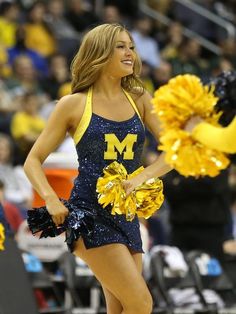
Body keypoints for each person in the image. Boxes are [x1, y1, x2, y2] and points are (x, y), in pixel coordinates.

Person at [24, 23, 171, 314]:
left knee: (120, 308)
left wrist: (142, 177)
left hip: (127, 215)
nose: (130, 53)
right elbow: (32, 161)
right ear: (100, 52)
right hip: (89, 216)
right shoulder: (73, 104)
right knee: (141, 304)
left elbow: (174, 151)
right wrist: (51, 198)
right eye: (121, 46)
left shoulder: (140, 98)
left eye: (131, 46)